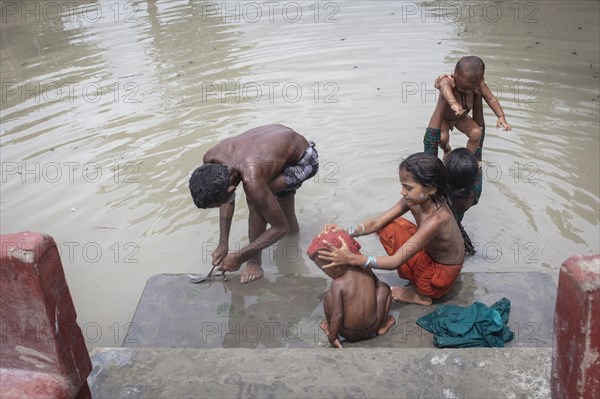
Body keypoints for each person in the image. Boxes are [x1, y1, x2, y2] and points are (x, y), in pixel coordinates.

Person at [317, 153, 464, 306]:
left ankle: (420, 294)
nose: (402, 191)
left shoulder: (437, 219)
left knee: (396, 243)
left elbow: (395, 261)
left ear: (431, 189)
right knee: (388, 226)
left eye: (408, 187)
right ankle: (417, 280)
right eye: (402, 185)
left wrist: (352, 259)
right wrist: (346, 232)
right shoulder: (416, 199)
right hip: (430, 254)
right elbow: (377, 222)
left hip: (439, 276)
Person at [189, 124, 319, 283]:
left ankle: (255, 264)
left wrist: (241, 257)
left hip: (303, 160)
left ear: (230, 190)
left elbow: (280, 228)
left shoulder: (252, 177)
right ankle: (294, 237)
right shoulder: (210, 158)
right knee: (279, 210)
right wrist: (223, 242)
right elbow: (226, 199)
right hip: (278, 146)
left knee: (256, 201)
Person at [306, 230, 395, 348]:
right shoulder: (366, 268)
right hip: (372, 327)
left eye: (324, 270)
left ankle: (330, 327)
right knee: (384, 287)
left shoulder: (338, 284)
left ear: (336, 265)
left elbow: (338, 315)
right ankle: (382, 325)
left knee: (328, 296)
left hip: (347, 333)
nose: (326, 273)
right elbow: (376, 284)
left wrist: (332, 337)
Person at [426, 56, 511, 162]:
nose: (467, 91)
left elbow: (491, 99)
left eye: (471, 88)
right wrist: (454, 103)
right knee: (443, 139)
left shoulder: (479, 84)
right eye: (463, 88)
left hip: (461, 118)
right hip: (445, 119)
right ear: (455, 74)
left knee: (476, 133)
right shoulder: (448, 79)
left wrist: (501, 116)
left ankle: (467, 160)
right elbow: (444, 87)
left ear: (480, 80)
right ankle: (447, 150)